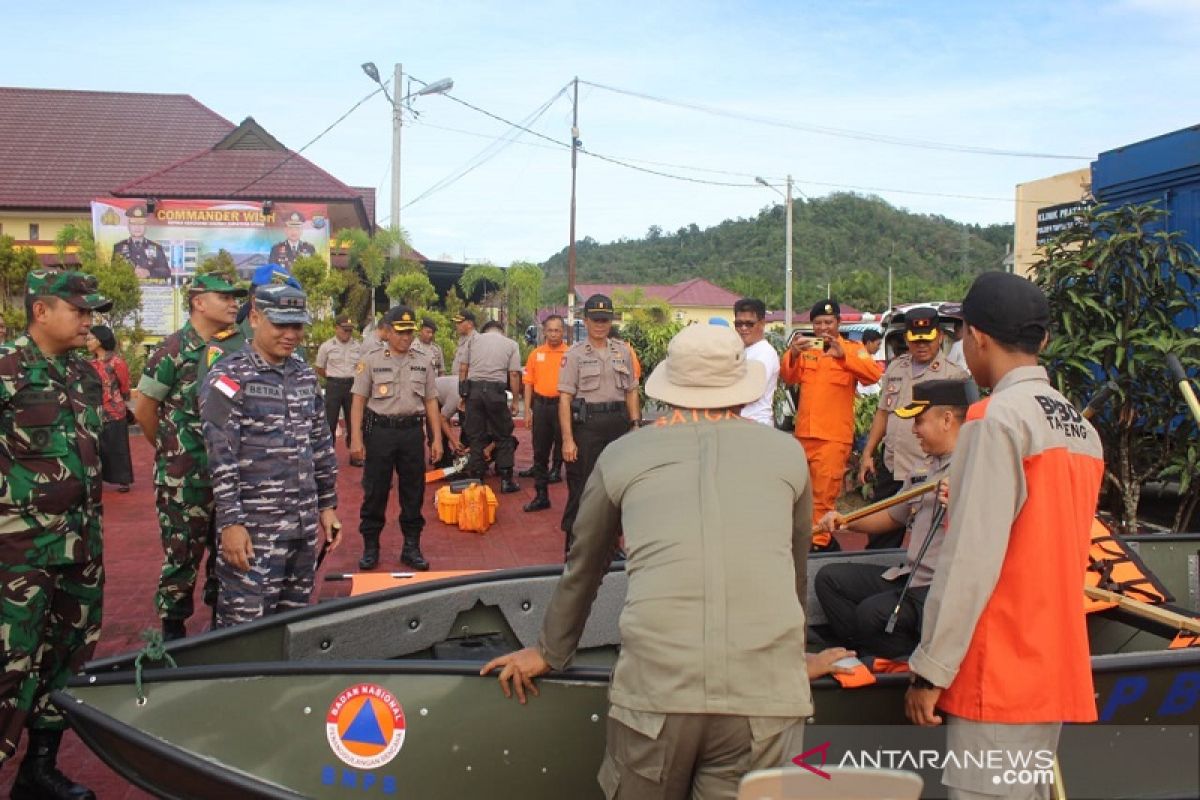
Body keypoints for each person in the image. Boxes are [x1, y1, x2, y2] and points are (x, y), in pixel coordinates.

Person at [481, 323, 814, 800]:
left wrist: (550, 651)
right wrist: (793, 659)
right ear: (741, 392)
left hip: (656, 696)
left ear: (671, 391)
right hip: (765, 699)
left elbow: (586, 565)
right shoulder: (789, 455)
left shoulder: (624, 454)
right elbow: (794, 567)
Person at [906, 272, 1104, 799]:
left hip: (1000, 665)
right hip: (1051, 661)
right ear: (1040, 340)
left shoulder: (994, 420)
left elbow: (970, 558)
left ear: (978, 337)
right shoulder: (1081, 430)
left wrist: (931, 669)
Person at [0, 270, 111, 799]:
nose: (87, 319)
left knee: (67, 657)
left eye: (91, 311)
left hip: (81, 544)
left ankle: (38, 771)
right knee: (9, 663)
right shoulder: (6, 370)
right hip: (19, 551)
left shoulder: (84, 372)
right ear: (41, 311)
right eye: (78, 310)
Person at [199, 284, 341, 627]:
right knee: (244, 631)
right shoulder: (228, 376)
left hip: (302, 529)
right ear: (256, 317)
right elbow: (221, 457)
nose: (291, 334)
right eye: (281, 325)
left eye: (298, 326)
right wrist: (230, 524)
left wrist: (327, 505)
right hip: (253, 532)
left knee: (292, 627)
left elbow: (320, 444)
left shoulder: (304, 375)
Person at [814, 379, 971, 659]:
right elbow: (892, 515)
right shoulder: (925, 466)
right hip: (910, 575)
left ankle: (900, 663)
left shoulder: (974, 464)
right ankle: (863, 652)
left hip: (937, 587)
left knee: (871, 614)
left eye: (920, 421)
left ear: (947, 419)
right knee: (829, 579)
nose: (914, 430)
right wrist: (846, 521)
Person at [134, 271, 248, 640]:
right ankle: (172, 630)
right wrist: (172, 450)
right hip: (184, 477)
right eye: (225, 297)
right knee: (182, 554)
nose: (234, 303)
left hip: (230, 474)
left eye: (236, 297)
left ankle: (220, 623)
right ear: (199, 302)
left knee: (227, 553)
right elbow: (144, 410)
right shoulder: (171, 350)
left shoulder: (235, 348)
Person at [858, 307, 967, 548]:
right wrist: (868, 452)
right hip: (893, 465)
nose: (921, 346)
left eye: (927, 340)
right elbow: (883, 413)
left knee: (928, 537)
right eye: (916, 340)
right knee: (880, 541)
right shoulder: (896, 368)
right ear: (907, 338)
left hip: (926, 470)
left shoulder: (954, 375)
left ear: (939, 336)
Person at [779, 299, 883, 550]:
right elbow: (788, 376)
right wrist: (792, 354)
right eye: (818, 323)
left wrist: (843, 355)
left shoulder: (852, 349)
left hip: (833, 438)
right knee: (799, 493)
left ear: (838, 323)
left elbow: (873, 375)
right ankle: (802, 537)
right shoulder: (806, 350)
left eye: (828, 322)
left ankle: (818, 543)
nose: (823, 328)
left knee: (823, 497)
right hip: (805, 434)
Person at [350, 306, 443, 572]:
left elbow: (431, 401)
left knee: (413, 491)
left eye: (409, 332)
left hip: (412, 433)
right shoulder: (371, 359)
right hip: (380, 432)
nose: (406, 337)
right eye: (400, 332)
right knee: (375, 490)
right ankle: (371, 546)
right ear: (388, 331)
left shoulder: (423, 360)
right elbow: (358, 400)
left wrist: (436, 438)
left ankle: (411, 547)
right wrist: (356, 438)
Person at [557, 295, 641, 555]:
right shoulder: (575, 354)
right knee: (582, 486)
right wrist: (568, 439)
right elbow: (565, 398)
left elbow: (631, 392)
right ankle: (574, 543)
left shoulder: (623, 351)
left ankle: (612, 543)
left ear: (611, 321)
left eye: (605, 319)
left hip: (618, 424)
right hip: (588, 426)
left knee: (617, 486)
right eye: (595, 319)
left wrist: (635, 425)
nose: (600, 325)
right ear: (586, 320)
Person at [458, 319, 522, 493]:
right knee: (503, 434)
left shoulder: (472, 340)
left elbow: (463, 368)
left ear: (485, 330)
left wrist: (463, 395)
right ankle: (506, 480)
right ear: (501, 331)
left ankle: (476, 478)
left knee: (476, 436)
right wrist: (515, 401)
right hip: (496, 391)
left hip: (474, 391)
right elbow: (514, 374)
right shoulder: (511, 344)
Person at [521, 315, 569, 512]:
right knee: (539, 450)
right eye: (550, 330)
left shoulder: (570, 354)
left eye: (558, 330)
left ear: (563, 332)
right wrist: (527, 411)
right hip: (541, 406)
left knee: (565, 444)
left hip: (562, 406)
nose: (554, 334)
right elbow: (528, 384)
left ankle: (559, 473)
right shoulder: (536, 354)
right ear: (544, 331)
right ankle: (541, 495)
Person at [86, 324, 133, 492]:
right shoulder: (89, 364)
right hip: (94, 411)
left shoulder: (117, 362)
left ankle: (123, 480)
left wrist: (119, 400)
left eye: (90, 338)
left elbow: (125, 385)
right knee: (96, 447)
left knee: (117, 447)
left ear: (100, 340)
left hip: (114, 412)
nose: (87, 341)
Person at [315, 315, 362, 465]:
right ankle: (328, 455)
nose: (347, 333)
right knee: (330, 421)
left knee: (353, 421)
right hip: (334, 385)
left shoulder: (358, 346)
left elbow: (362, 367)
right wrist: (331, 377)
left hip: (352, 385)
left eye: (349, 330)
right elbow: (319, 368)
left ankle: (354, 453)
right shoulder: (327, 346)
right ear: (336, 328)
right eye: (344, 330)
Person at [733, 297, 780, 427]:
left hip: (756, 424)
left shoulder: (764, 353)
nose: (743, 328)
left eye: (749, 324)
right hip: (739, 423)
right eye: (738, 323)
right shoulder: (740, 349)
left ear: (762, 323)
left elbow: (749, 393)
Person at [112, 204, 170, 280]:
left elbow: (166, 271)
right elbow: (113, 271)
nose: (137, 227)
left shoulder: (156, 247)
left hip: (150, 290)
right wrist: (131, 272)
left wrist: (148, 272)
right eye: (134, 224)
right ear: (128, 226)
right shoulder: (119, 247)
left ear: (146, 226)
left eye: (141, 223)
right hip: (127, 289)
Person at [856, 329, 885, 397]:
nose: (879, 347)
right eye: (878, 344)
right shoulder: (862, 356)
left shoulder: (865, 355)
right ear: (869, 343)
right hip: (863, 395)